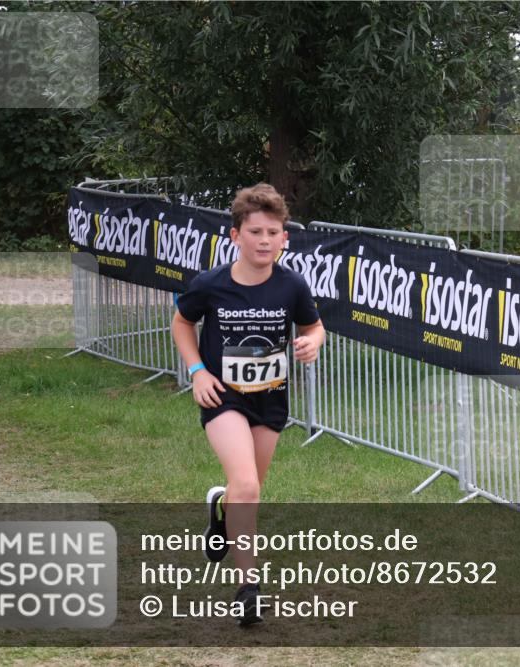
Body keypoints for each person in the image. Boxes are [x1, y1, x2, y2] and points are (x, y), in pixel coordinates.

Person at [171, 183, 324, 626]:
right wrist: (198, 372)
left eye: (272, 232)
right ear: (235, 236)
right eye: (254, 231)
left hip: (272, 400)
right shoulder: (211, 284)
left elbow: (315, 327)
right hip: (224, 397)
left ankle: (222, 510)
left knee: (247, 490)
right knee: (249, 486)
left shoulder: (292, 285)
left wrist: (311, 343)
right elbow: (182, 322)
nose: (263, 240)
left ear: (284, 239)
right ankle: (248, 590)